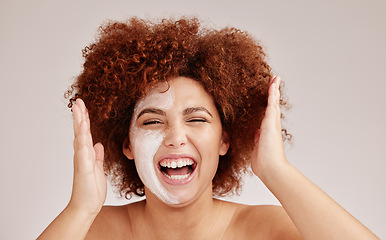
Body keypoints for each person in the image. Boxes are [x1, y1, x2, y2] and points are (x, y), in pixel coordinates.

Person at [38, 17, 379, 239]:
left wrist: (277, 171)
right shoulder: (93, 230)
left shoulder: (263, 231)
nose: (174, 137)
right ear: (126, 143)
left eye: (197, 118)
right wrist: (79, 210)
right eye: (153, 120)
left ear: (224, 139)